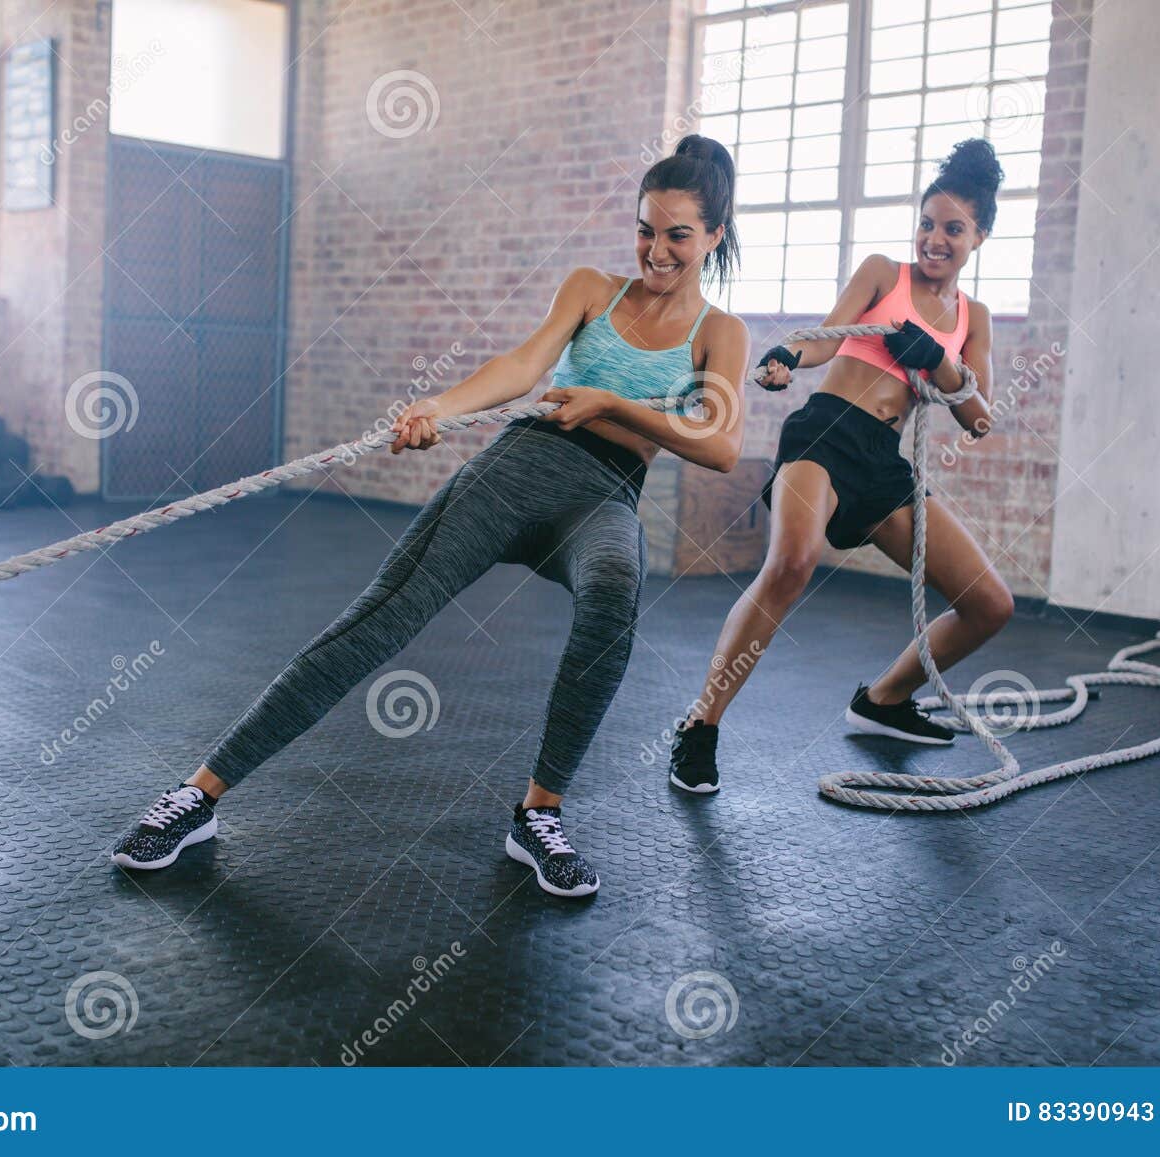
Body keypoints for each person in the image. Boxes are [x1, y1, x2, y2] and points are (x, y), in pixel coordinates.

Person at [113, 135, 750, 897]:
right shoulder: (593, 289)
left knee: (615, 589)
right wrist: (438, 407)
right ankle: (199, 794)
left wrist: (614, 404)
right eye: (646, 228)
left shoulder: (722, 333)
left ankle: (538, 815)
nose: (657, 249)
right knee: (380, 616)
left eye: (678, 233)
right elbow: (522, 364)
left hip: (603, 496)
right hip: (518, 467)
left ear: (713, 234)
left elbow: (721, 445)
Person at [669, 139, 1013, 795]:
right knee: (792, 564)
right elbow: (823, 338)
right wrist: (784, 357)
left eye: (953, 229)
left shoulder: (976, 320)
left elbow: (980, 418)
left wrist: (938, 362)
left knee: (990, 604)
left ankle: (883, 700)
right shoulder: (885, 273)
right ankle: (700, 725)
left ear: (980, 237)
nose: (935, 239)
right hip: (826, 433)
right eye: (927, 223)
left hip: (883, 464)